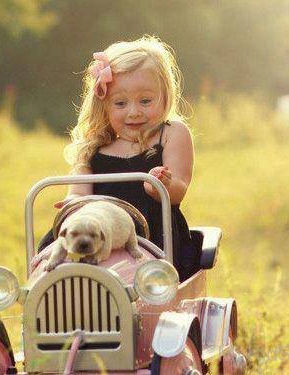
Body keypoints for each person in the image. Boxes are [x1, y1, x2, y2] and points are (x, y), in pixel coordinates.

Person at [39, 35, 198, 281]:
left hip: (153, 235)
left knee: (152, 276)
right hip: (97, 230)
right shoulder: (95, 146)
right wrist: (72, 203)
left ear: (165, 95)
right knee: (55, 250)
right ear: (104, 105)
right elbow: (79, 193)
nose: (134, 112)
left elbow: (179, 188)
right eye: (120, 103)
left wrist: (162, 186)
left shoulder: (171, 134)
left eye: (145, 101)